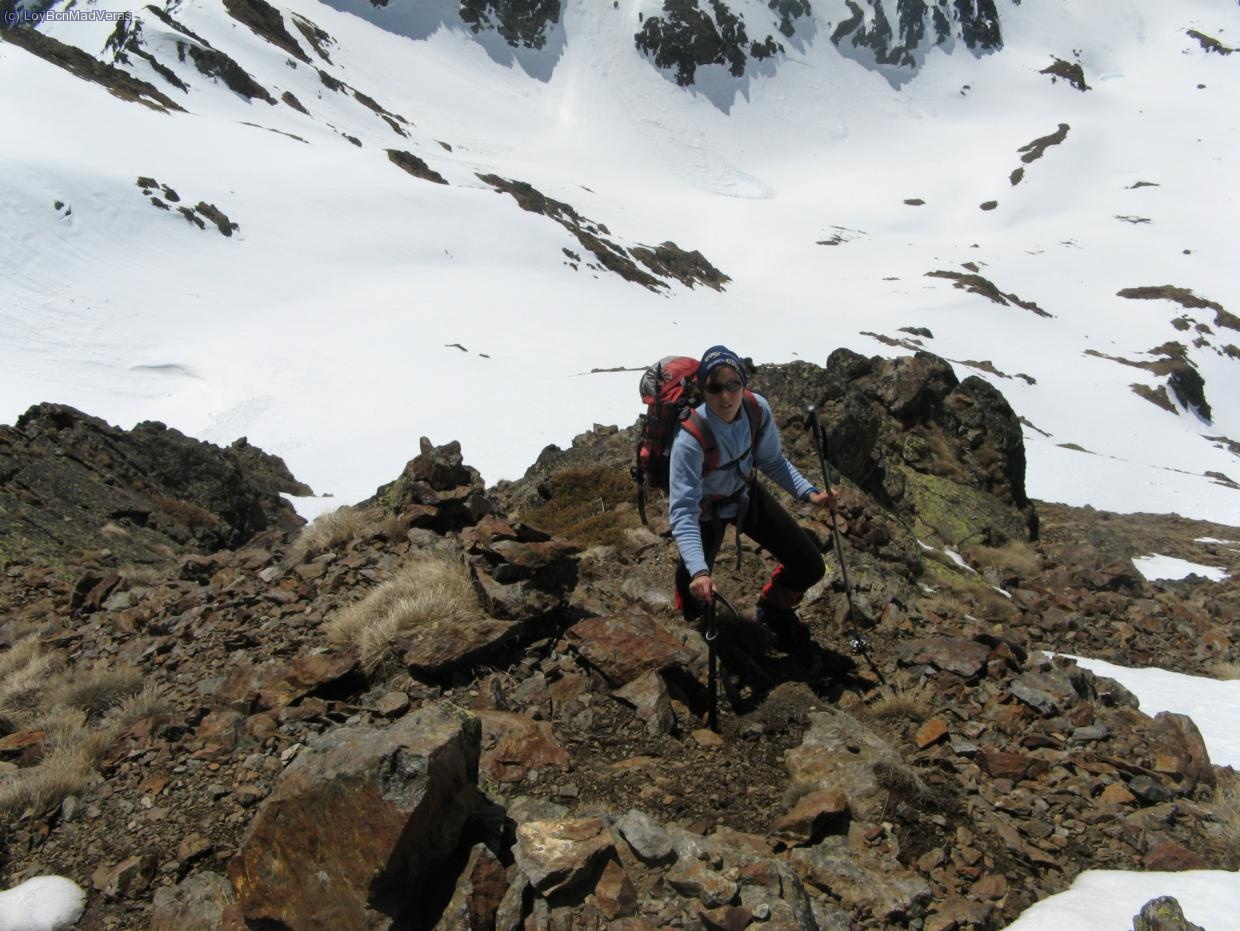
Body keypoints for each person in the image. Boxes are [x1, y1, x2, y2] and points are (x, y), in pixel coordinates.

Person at [669, 345, 837, 647]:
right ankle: (695, 620)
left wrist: (810, 494)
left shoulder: (755, 410)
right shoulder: (690, 440)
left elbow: (772, 460)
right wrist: (699, 571)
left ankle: (771, 608)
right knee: (694, 585)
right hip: (705, 511)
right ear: (703, 390)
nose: (725, 395)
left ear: (743, 383)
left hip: (746, 495)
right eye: (715, 386)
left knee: (810, 566)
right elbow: (683, 510)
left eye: (733, 384)